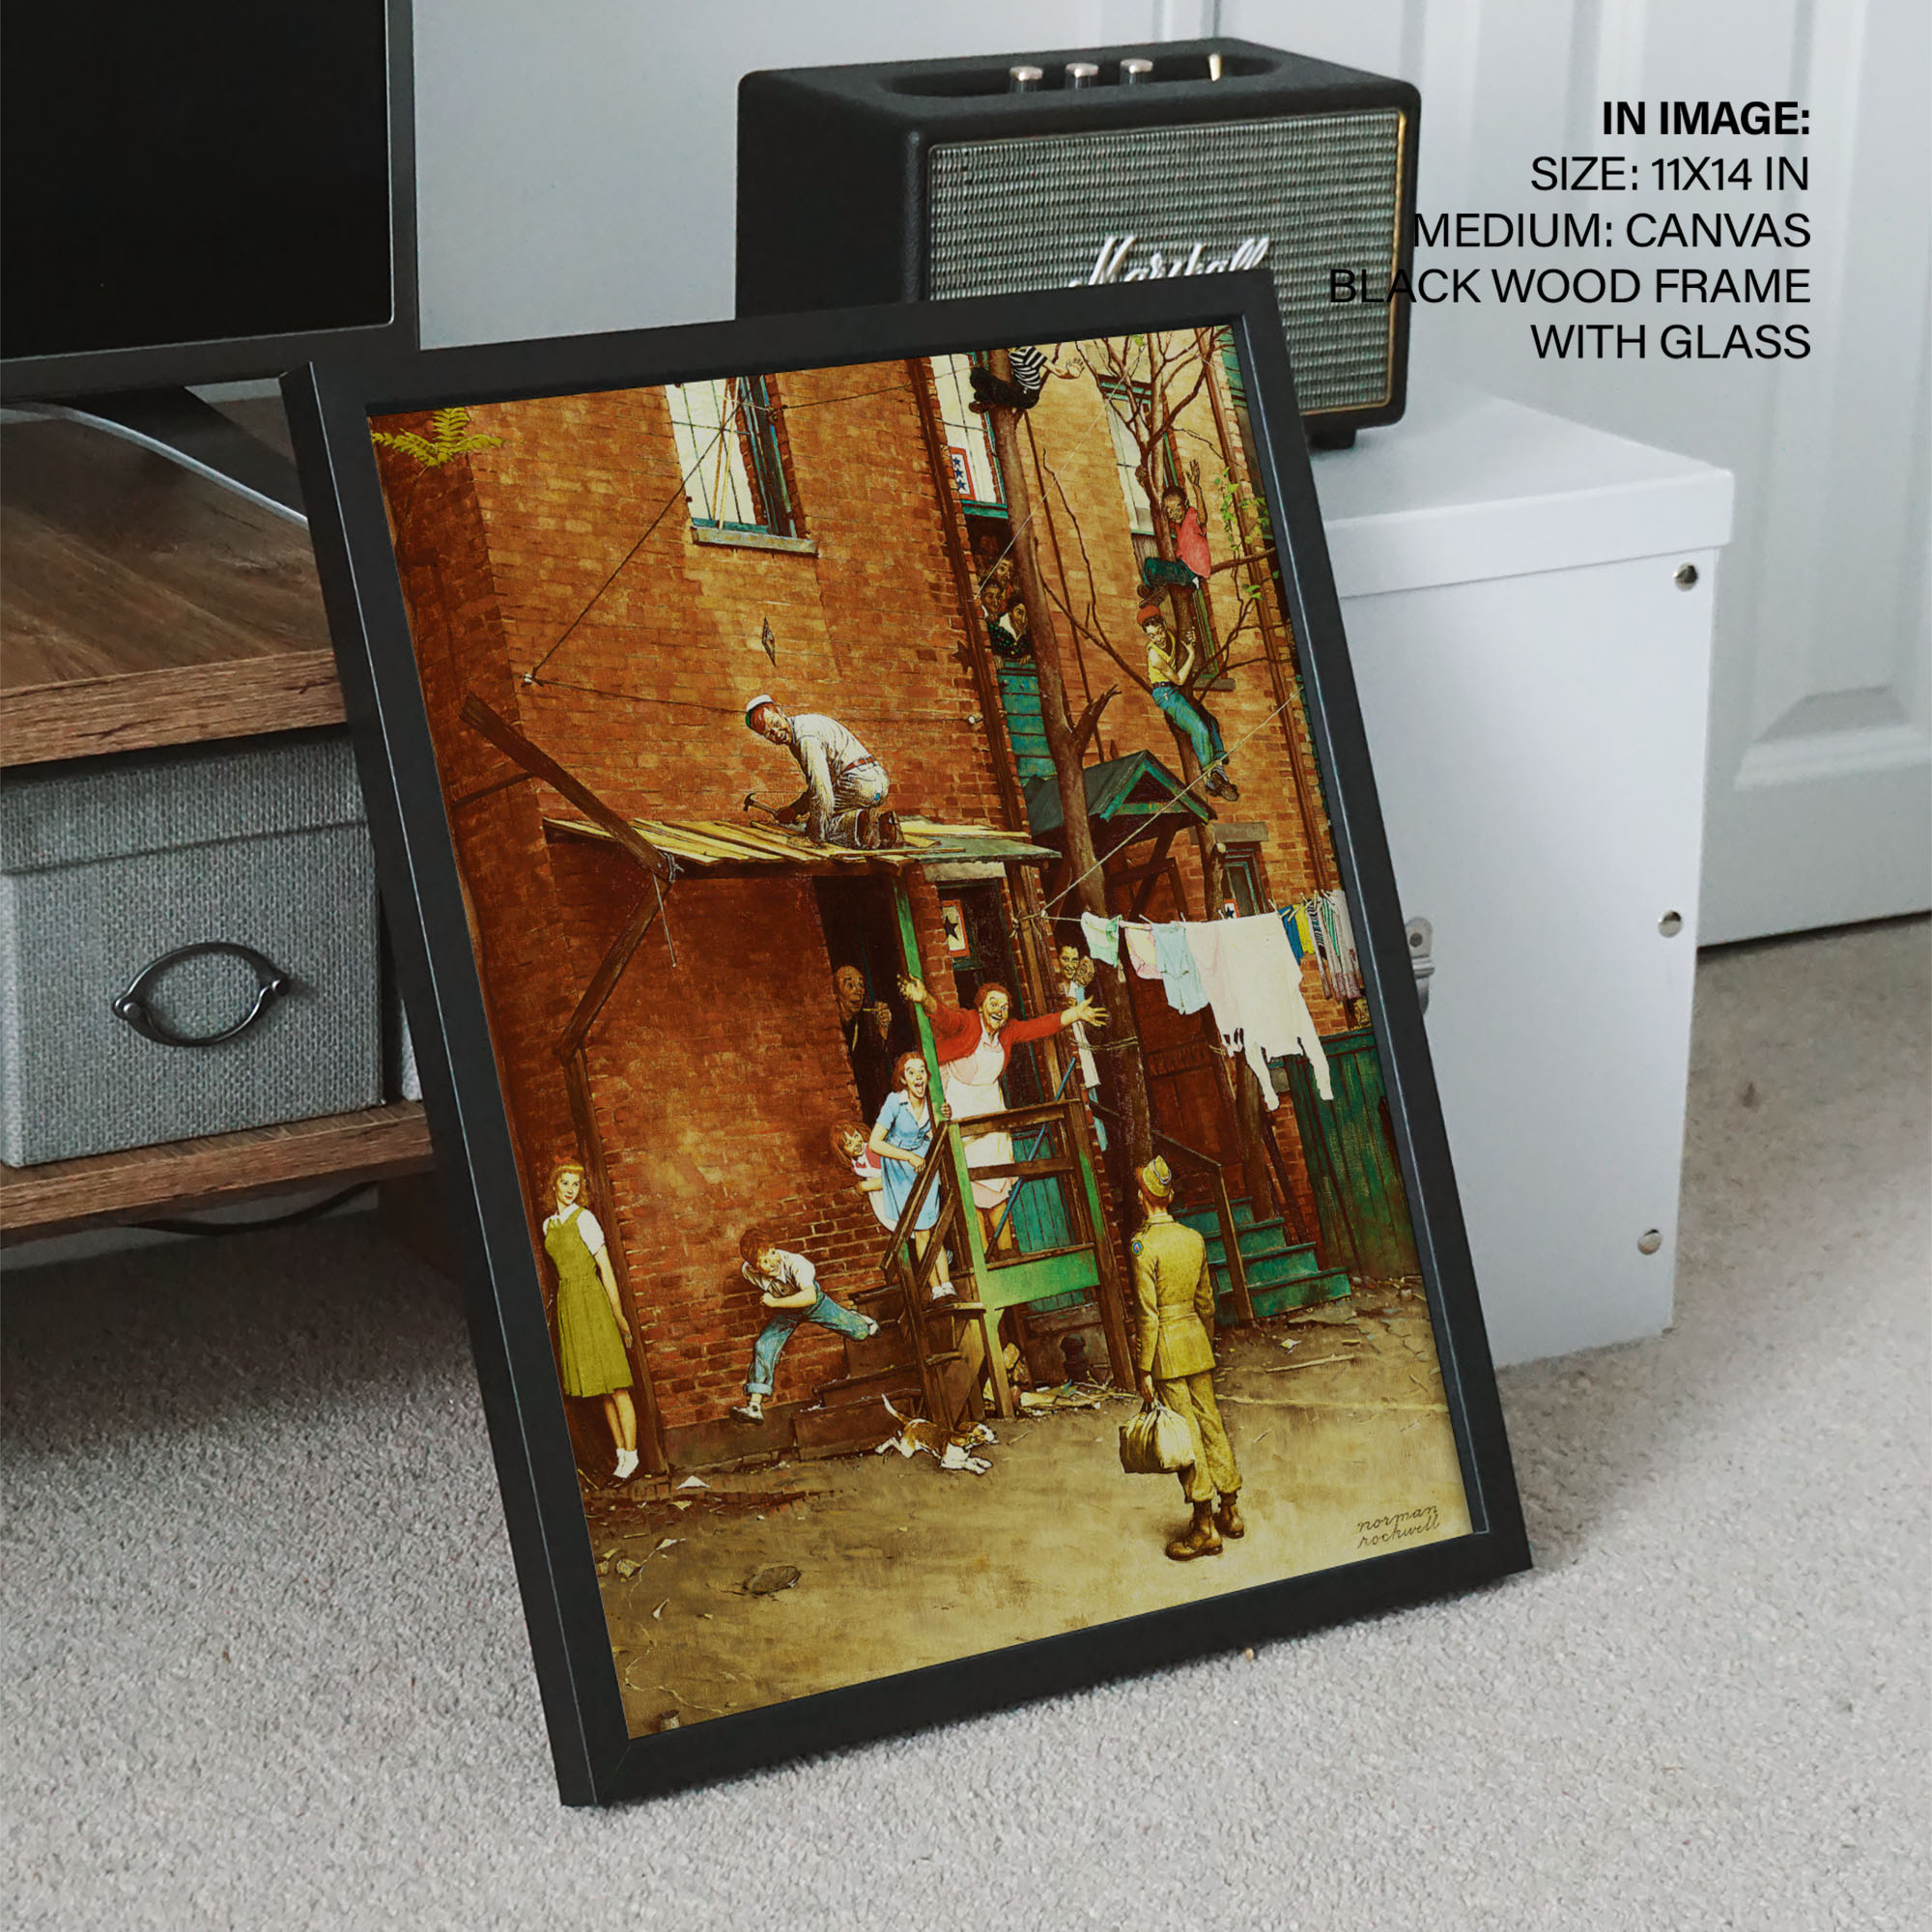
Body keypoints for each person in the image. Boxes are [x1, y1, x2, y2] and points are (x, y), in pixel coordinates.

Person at [897, 974, 1104, 1250]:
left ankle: (1006, 1255)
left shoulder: (1007, 1032)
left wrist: (1075, 1014)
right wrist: (924, 998)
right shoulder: (968, 1022)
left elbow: (1037, 1027)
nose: (999, 1010)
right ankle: (983, 1258)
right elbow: (945, 1017)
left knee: (997, 1194)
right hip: (960, 1108)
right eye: (993, 1004)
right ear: (981, 1006)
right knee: (969, 1196)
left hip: (991, 1113)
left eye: (1004, 1006)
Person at [1130, 1155, 1242, 1561]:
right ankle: (1230, 1509)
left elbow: (1148, 1315)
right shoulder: (1193, 1239)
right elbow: (1206, 1302)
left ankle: (1204, 1526)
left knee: (1187, 1435)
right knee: (1211, 1423)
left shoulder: (1142, 1246)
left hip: (1166, 1350)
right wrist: (1203, 1341)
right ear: (1168, 1196)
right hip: (1196, 1341)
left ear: (1143, 1197)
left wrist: (1143, 1367)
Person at [540, 1162, 639, 1481]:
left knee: (615, 1383)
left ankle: (633, 1456)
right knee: (600, 1388)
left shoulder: (585, 1219)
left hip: (592, 1300)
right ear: (554, 1185)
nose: (570, 1189)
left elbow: (605, 1269)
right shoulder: (548, 1226)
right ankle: (620, 1455)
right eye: (565, 1183)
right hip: (570, 1303)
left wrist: (618, 1315)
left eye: (576, 1184)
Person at [732, 1228, 879, 1424]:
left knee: (860, 1333)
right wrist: (780, 1303)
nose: (773, 1261)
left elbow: (809, 1297)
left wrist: (774, 1302)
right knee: (763, 1345)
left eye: (773, 1252)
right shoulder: (748, 1272)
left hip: (814, 1304)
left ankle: (857, 1319)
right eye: (765, 1261)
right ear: (755, 1267)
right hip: (788, 1312)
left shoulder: (796, 1263)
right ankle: (754, 1406)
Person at [744, 695, 901, 849]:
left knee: (820, 824)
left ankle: (863, 823)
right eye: (769, 734)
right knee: (826, 814)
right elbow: (823, 784)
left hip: (859, 785)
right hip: (877, 783)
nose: (777, 733)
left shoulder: (805, 738)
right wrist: (795, 809)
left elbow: (821, 790)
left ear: (780, 712)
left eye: (776, 723)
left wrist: (815, 837)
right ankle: (884, 825)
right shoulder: (803, 725)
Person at [867, 1052, 953, 1298]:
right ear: (903, 1079)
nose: (918, 1077)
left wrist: (945, 1115)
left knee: (931, 1227)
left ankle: (947, 1285)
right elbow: (875, 1143)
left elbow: (933, 1133)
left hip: (923, 1165)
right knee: (921, 1230)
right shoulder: (895, 1102)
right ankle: (935, 1287)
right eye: (911, 1072)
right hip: (900, 1168)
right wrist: (907, 1157)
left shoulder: (932, 1100)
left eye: (922, 1071)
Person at [1140, 605, 1238, 801]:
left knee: (1211, 722)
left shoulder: (1171, 633)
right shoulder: (1154, 655)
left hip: (1176, 690)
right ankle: (1210, 776)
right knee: (1199, 729)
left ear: (1163, 625)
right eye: (1152, 636)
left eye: (1159, 632)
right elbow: (1178, 679)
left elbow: (1185, 637)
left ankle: (1219, 769)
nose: (1158, 638)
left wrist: (1191, 638)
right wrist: (1192, 655)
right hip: (1166, 694)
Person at [1056, 941, 1108, 1151]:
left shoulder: (1078, 988)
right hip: (1066, 1053)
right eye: (1065, 959)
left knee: (1091, 1102)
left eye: (1074, 960)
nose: (1070, 965)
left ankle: (1100, 1149)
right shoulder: (1056, 988)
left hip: (1083, 1052)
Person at [832, 963, 897, 1120]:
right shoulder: (832, 1025)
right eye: (850, 985)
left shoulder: (861, 1022)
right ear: (836, 992)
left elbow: (874, 1057)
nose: (859, 991)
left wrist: (883, 1027)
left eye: (861, 985)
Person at [830, 1121, 892, 1231]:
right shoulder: (855, 1165)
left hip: (891, 1190)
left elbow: (892, 1177)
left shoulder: (872, 1152)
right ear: (843, 1151)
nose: (856, 1143)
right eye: (849, 1143)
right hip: (881, 1197)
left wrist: (866, 1186)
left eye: (856, 1136)